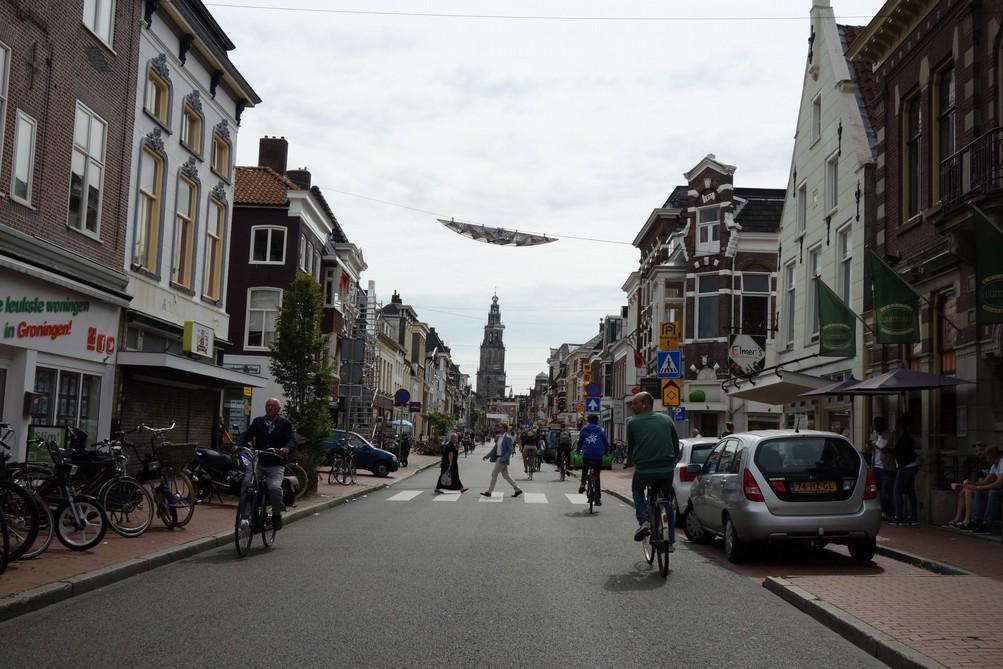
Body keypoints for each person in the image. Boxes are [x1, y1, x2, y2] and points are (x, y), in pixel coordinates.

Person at [627, 392, 680, 547]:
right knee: (667, 501)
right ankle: (670, 540)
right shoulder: (667, 419)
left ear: (645, 404)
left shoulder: (632, 422)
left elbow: (631, 448)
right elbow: (676, 445)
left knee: (637, 490)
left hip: (644, 470)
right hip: (666, 470)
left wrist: (629, 461)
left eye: (635, 403)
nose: (632, 406)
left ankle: (644, 521)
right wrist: (673, 461)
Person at [239, 397, 295, 530]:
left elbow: (291, 440)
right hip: (259, 462)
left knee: (275, 488)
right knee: (246, 483)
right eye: (268, 405)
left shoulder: (285, 424)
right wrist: (237, 445)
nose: (269, 408)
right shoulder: (258, 422)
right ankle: (245, 516)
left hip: (276, 464)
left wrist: (286, 448)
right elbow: (246, 435)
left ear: (278, 409)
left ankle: (276, 515)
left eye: (273, 406)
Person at [947, 442, 990, 529]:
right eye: (977, 451)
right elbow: (980, 480)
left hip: (990, 487)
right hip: (983, 486)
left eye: (981, 450)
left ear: (987, 450)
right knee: (962, 491)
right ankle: (957, 519)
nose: (978, 453)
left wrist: (971, 484)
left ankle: (967, 520)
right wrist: (967, 483)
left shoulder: (991, 462)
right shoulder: (980, 463)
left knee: (968, 490)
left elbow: (989, 481)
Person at [963, 446, 1003, 533]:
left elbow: (999, 483)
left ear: (991, 456)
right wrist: (970, 483)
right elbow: (985, 482)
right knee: (980, 493)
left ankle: (987, 524)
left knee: (993, 493)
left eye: (987, 457)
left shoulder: (1002, 463)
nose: (986, 459)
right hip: (999, 489)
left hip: (1000, 489)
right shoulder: (994, 466)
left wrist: (980, 488)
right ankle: (975, 522)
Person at [481, 422, 523, 498]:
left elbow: (510, 449)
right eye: (499, 427)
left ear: (505, 428)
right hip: (499, 457)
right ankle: (517, 489)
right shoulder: (500, 437)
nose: (499, 429)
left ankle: (489, 491)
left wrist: (503, 458)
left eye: (501, 427)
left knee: (494, 473)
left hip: (502, 459)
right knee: (506, 475)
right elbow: (495, 448)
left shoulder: (508, 437)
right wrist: (487, 456)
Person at [892, 415, 919, 525]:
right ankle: (913, 516)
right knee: (910, 491)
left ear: (900, 426)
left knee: (898, 490)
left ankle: (899, 516)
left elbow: (903, 454)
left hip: (905, 467)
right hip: (910, 466)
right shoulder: (907, 437)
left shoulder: (904, 438)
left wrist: (893, 451)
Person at [869, 416, 897, 520]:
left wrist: (885, 449)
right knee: (874, 490)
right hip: (875, 465)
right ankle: (876, 510)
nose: (876, 427)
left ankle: (886, 511)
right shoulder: (874, 433)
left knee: (886, 491)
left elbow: (893, 449)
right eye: (874, 425)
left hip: (886, 466)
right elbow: (870, 444)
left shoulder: (889, 435)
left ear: (882, 424)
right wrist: (871, 445)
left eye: (877, 425)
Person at [577, 414, 608, 505]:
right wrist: (606, 452)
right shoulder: (601, 430)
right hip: (598, 456)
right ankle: (597, 499)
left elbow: (580, 442)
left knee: (585, 469)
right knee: (597, 476)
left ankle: (583, 483)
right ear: (597, 421)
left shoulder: (584, 429)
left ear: (588, 420)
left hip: (587, 454)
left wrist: (578, 451)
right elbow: (605, 443)